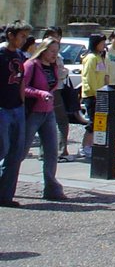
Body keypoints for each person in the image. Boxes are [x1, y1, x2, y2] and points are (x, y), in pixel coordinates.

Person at [22, 37, 66, 201]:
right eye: (52, 51)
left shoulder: (53, 67)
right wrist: (40, 93)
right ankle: (5, 179)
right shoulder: (31, 65)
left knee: (51, 152)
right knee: (21, 151)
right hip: (33, 112)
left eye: (57, 51)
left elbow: (52, 86)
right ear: (43, 50)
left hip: (48, 112)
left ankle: (52, 187)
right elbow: (23, 87)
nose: (55, 54)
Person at [0, 21, 30, 207]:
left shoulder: (19, 55)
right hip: (2, 107)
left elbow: (21, 83)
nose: (23, 40)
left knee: (15, 153)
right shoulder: (1, 54)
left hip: (17, 108)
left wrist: (23, 105)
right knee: (2, 148)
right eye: (21, 36)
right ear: (11, 35)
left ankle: (5, 195)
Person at [42, 27, 70, 161]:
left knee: (45, 122)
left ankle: (47, 152)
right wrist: (64, 72)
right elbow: (58, 74)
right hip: (53, 91)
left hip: (50, 90)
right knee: (61, 121)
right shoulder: (54, 56)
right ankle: (60, 151)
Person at [79, 33, 107, 160]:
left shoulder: (99, 57)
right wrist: (96, 93)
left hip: (100, 93)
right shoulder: (91, 58)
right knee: (93, 121)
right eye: (102, 43)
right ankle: (85, 146)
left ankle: (92, 144)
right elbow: (89, 78)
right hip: (92, 94)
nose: (104, 45)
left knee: (99, 122)